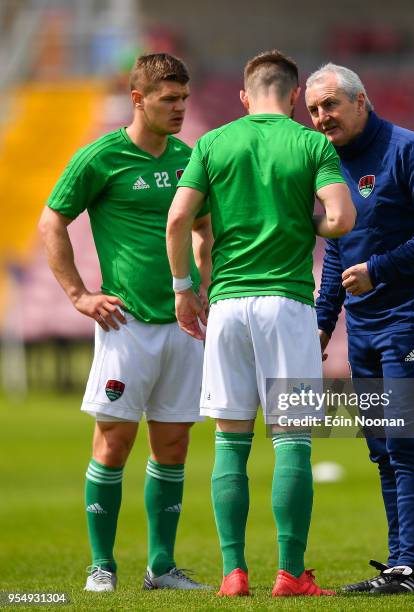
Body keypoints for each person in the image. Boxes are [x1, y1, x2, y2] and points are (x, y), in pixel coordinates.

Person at [166, 50, 356, 597]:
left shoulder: (213, 142)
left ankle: (233, 573)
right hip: (287, 305)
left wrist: (184, 290)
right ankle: (291, 573)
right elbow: (342, 218)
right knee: (293, 440)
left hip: (226, 305)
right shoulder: (312, 142)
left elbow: (179, 219)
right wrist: (302, 218)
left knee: (230, 441)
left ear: (245, 97)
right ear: (294, 96)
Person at [39, 53, 212, 593]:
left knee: (174, 445)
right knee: (113, 442)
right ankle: (101, 567)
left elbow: (205, 228)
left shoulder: (190, 157)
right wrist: (79, 295)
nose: (180, 108)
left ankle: (161, 568)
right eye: (169, 100)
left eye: (184, 98)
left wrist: (202, 284)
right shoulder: (100, 157)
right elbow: (52, 222)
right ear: (138, 100)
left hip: (183, 326)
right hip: (126, 324)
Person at [305, 63, 414, 595]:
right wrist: (323, 323)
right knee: (381, 447)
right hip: (365, 328)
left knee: (405, 441)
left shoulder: (409, 150)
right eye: (314, 110)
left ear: (361, 101)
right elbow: (336, 253)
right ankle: (401, 565)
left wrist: (381, 269)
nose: (322, 117)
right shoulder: (327, 165)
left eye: (330, 105)